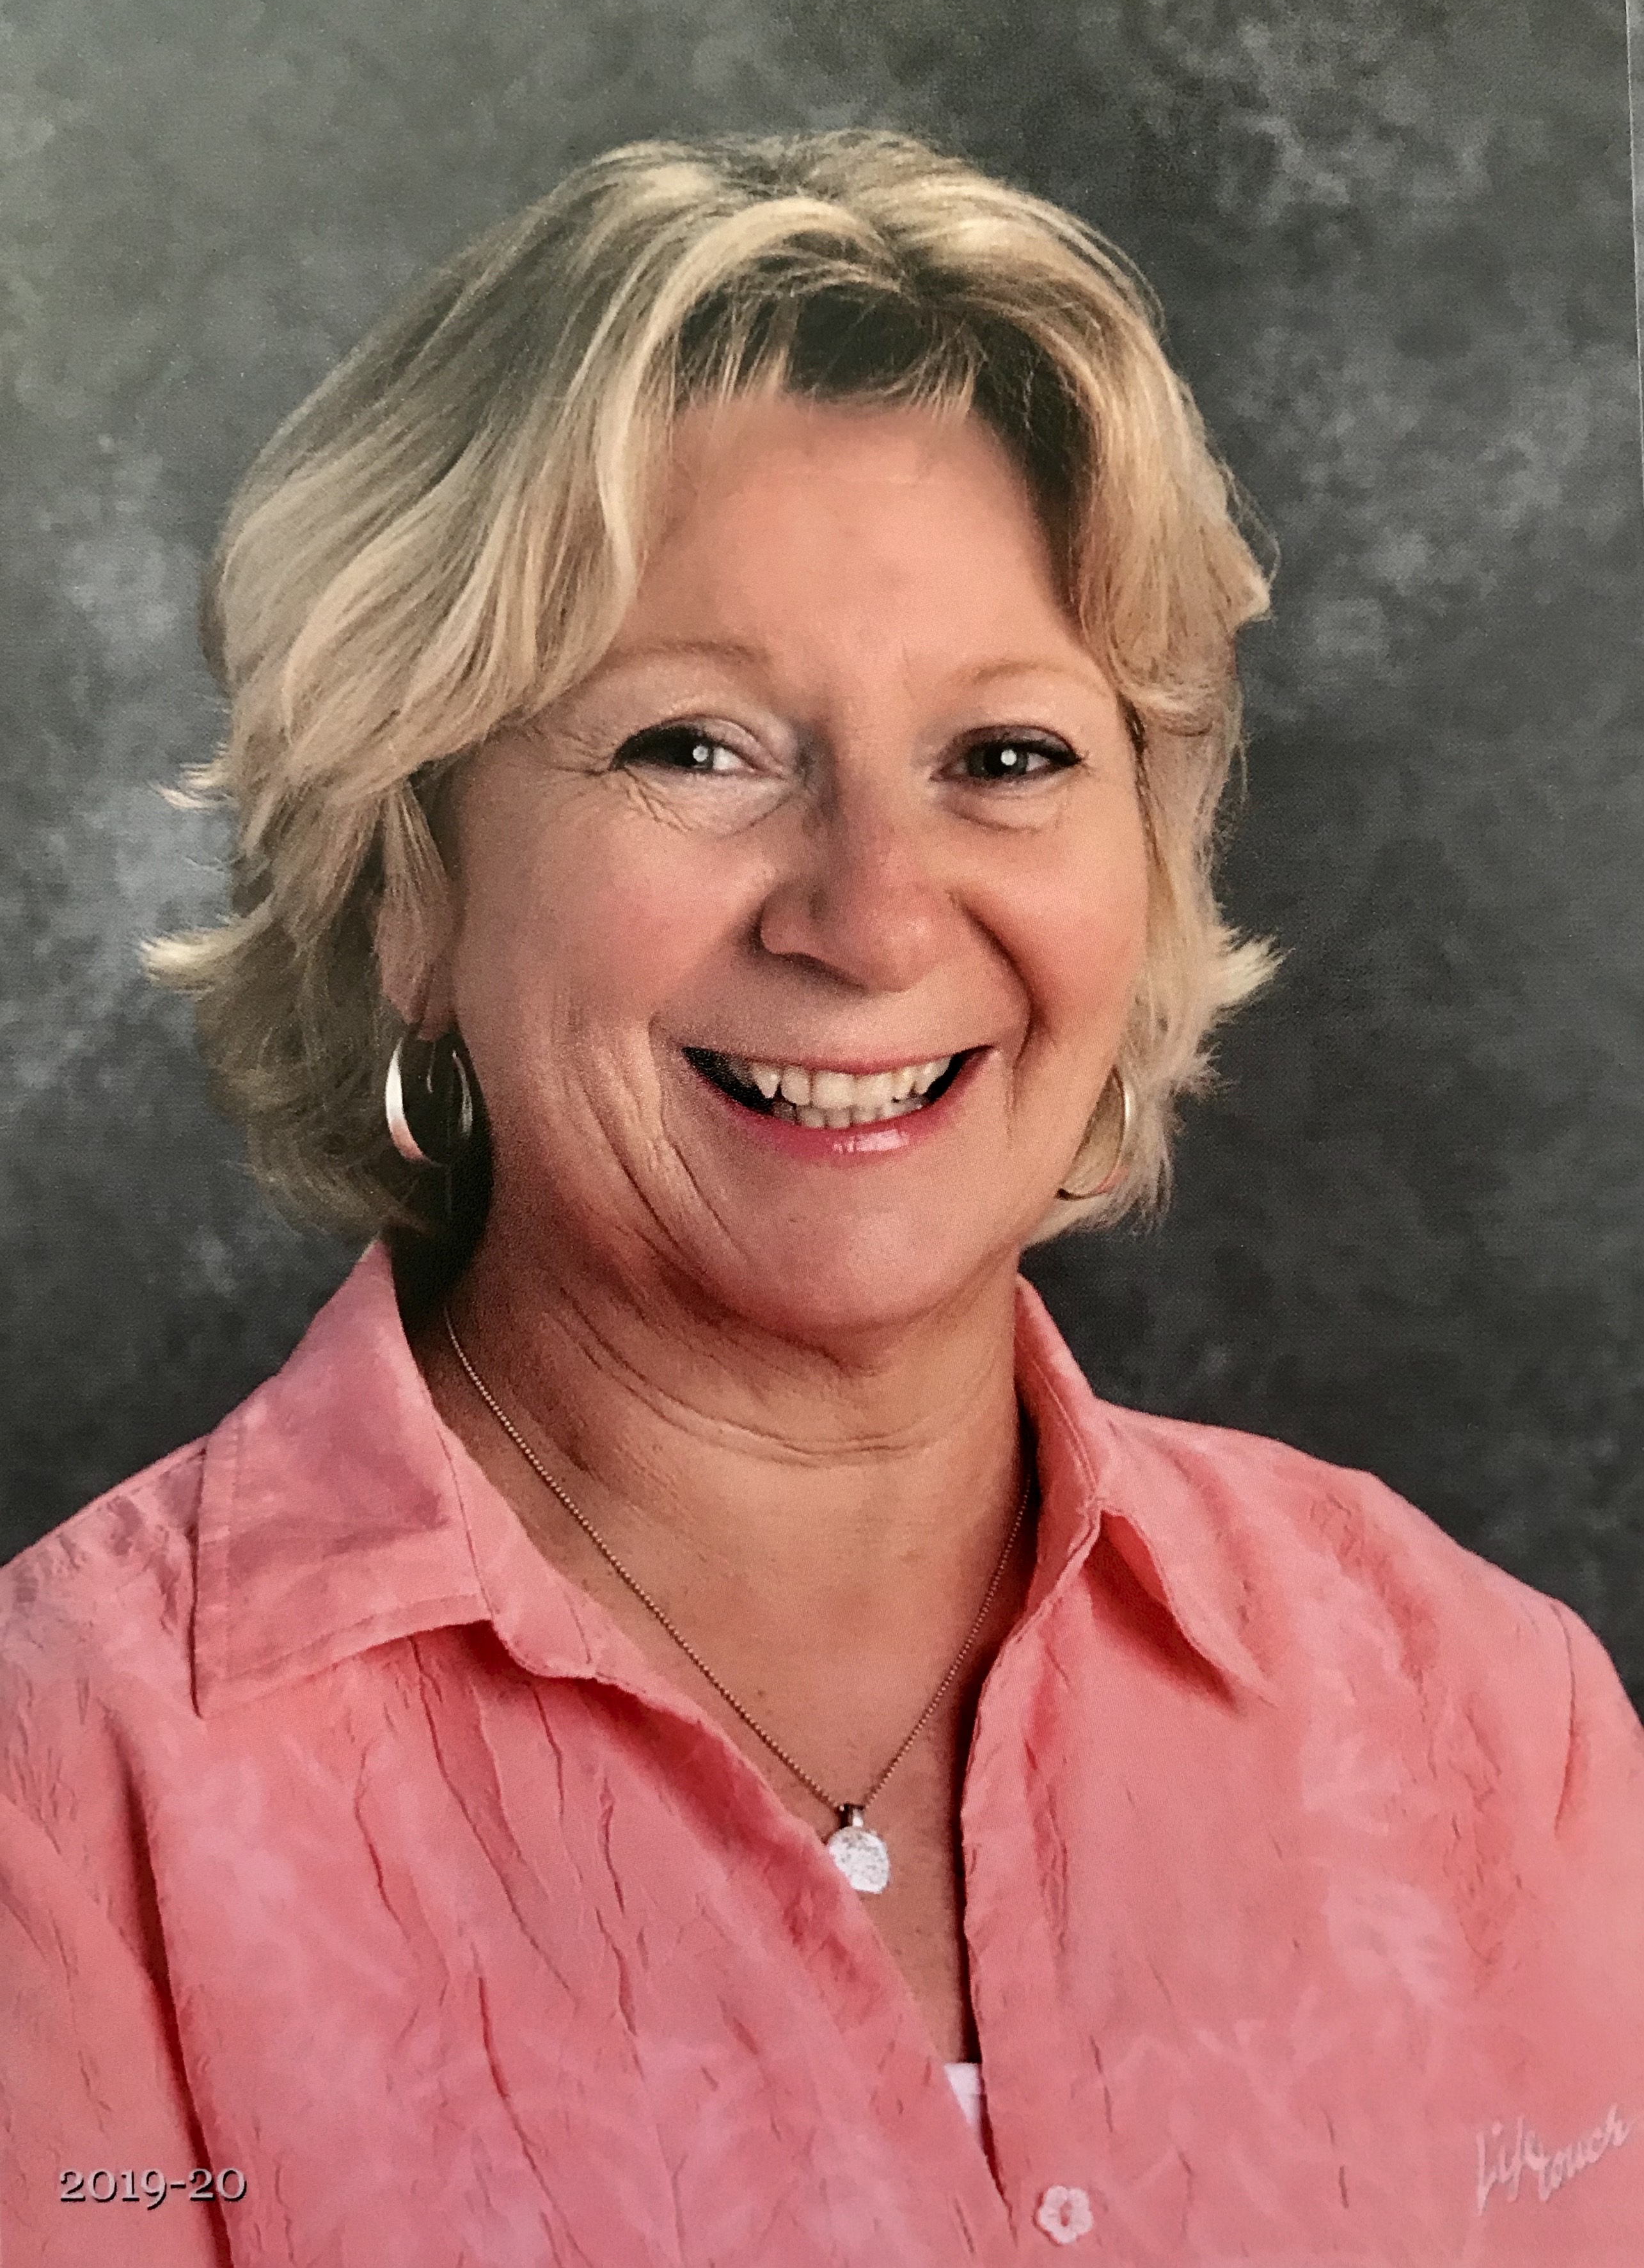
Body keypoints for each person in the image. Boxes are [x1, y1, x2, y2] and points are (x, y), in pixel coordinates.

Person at [3, 130, 1641, 2268]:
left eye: (1006, 758)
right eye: (695, 746)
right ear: (403, 880)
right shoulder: (73, 1797)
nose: (872, 918)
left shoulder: (1476, 1720)